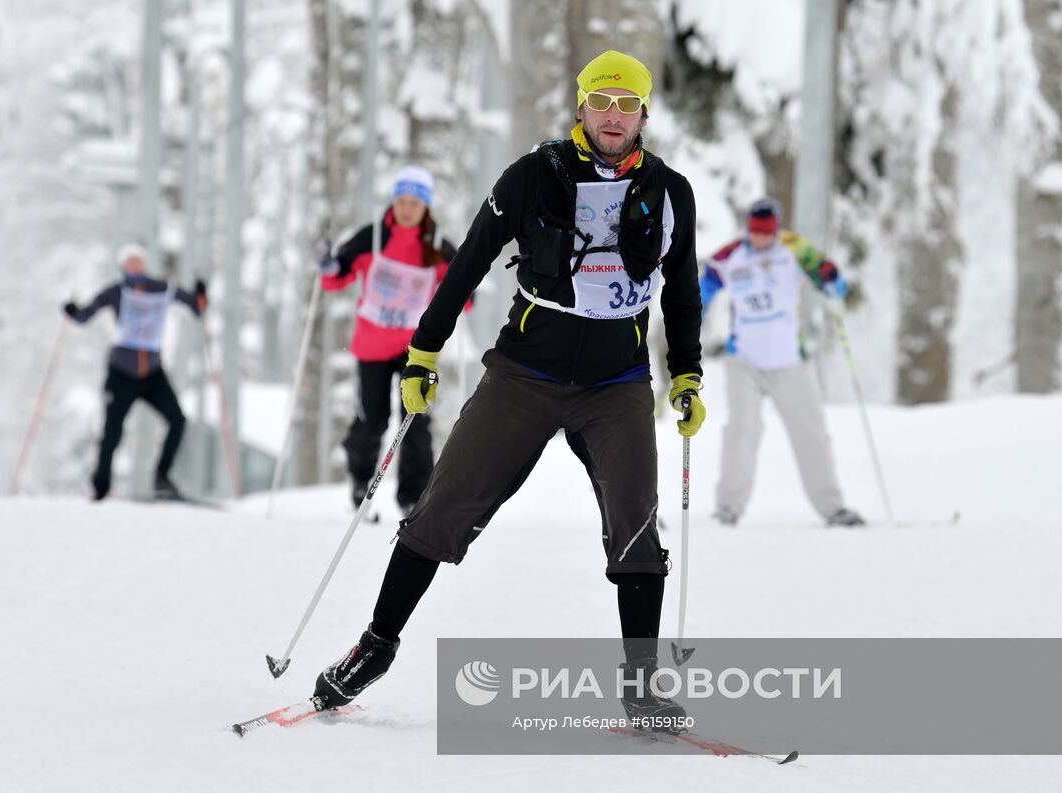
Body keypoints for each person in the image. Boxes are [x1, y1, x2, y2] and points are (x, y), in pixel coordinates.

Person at [311, 50, 706, 726]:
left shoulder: (670, 192)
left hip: (615, 384)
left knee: (638, 522)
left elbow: (684, 289)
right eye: (601, 102)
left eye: (627, 104)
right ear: (580, 107)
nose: (614, 116)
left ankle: (641, 687)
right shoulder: (533, 177)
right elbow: (465, 266)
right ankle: (373, 648)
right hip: (525, 374)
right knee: (442, 506)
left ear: (644, 114)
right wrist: (422, 353)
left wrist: (688, 373)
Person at [700, 196, 865, 527]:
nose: (761, 239)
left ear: (776, 230)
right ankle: (728, 508)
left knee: (811, 433)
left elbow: (828, 275)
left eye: (767, 232)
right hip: (744, 360)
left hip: (789, 361)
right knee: (741, 431)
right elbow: (704, 286)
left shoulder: (793, 248)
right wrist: (693, 308)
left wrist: (833, 281)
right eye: (755, 232)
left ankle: (832, 508)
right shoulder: (732, 255)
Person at [320, 165, 467, 516]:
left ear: (425, 207)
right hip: (373, 344)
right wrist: (327, 266)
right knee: (372, 420)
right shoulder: (372, 238)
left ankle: (414, 497)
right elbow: (337, 276)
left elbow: (461, 285)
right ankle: (360, 485)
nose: (406, 209)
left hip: (417, 347)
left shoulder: (436, 245)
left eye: (414, 203)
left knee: (415, 417)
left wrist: (466, 292)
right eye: (401, 200)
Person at [64, 244, 208, 502]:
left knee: (178, 420)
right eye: (130, 262)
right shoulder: (116, 292)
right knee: (112, 431)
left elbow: (195, 306)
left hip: (152, 374)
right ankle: (100, 487)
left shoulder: (160, 288)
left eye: (139, 261)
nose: (136, 266)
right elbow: (85, 315)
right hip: (121, 373)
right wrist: (74, 312)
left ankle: (162, 478)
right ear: (123, 266)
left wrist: (200, 295)